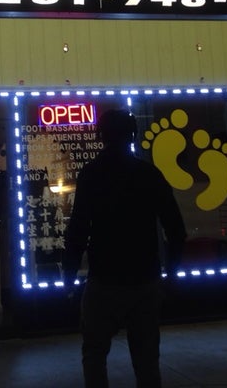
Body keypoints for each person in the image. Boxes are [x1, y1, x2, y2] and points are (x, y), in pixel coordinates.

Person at [63, 109, 187, 388]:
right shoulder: (149, 174)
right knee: (146, 359)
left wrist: (69, 277)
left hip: (104, 278)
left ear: (101, 135)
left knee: (94, 354)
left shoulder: (91, 174)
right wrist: (171, 275)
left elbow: (78, 229)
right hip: (144, 279)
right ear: (133, 135)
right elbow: (176, 230)